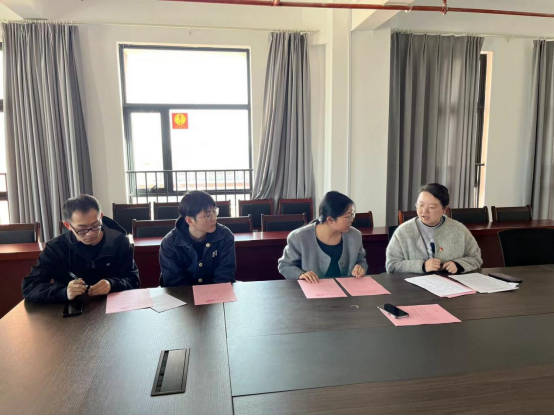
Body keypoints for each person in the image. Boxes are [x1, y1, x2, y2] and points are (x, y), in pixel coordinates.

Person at [22, 195, 140, 303]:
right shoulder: (56, 248)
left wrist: (112, 284)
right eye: (82, 229)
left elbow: (133, 280)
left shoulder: (120, 241)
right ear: (68, 226)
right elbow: (30, 286)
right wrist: (64, 292)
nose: (90, 234)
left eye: (95, 226)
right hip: (72, 309)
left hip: (112, 307)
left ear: (101, 217)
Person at [386, 183, 483, 275]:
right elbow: (392, 265)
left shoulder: (459, 230)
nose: (424, 211)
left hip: (449, 283)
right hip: (413, 285)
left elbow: (475, 258)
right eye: (421, 205)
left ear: (444, 210)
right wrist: (422, 266)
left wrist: (459, 265)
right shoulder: (403, 231)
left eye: (431, 207)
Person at [278, 191, 368, 283]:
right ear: (330, 219)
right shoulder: (298, 237)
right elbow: (285, 266)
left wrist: (361, 267)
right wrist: (300, 275)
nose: (352, 220)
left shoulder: (355, 235)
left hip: (348, 289)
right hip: (313, 289)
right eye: (348, 216)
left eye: (352, 214)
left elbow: (361, 260)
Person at [160, 191, 237, 287]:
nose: (214, 218)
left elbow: (225, 276)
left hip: (216, 293)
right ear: (190, 220)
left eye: (214, 211)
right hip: (182, 294)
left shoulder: (225, 236)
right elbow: (175, 283)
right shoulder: (170, 243)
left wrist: (212, 295)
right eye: (207, 215)